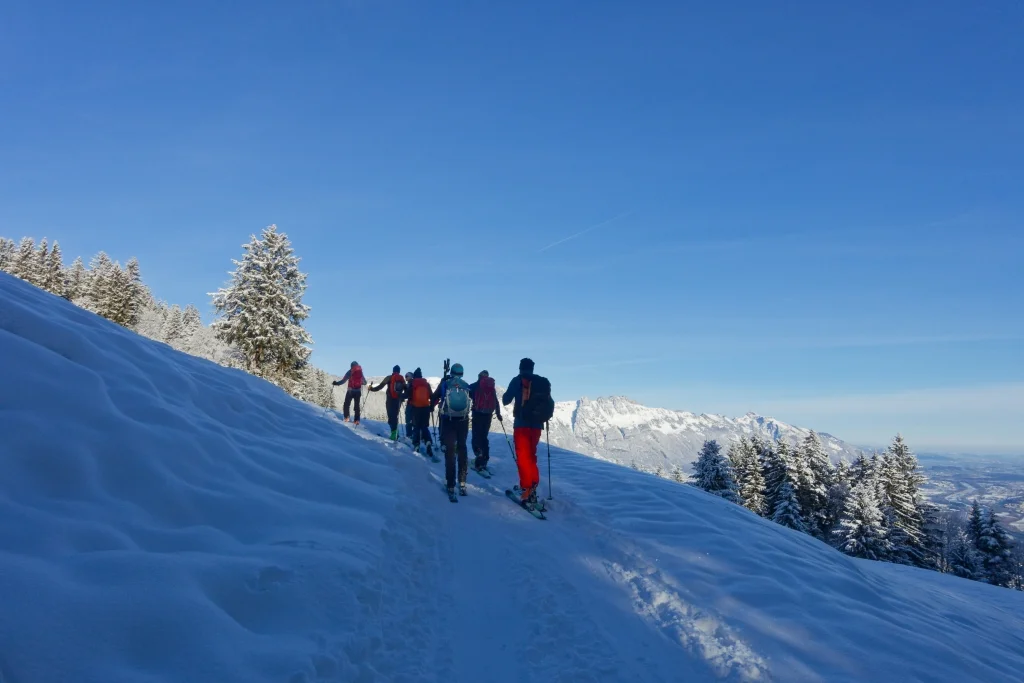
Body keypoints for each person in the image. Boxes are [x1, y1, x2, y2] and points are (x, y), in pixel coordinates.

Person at [501, 357, 555, 509]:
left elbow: (506, 400)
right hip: (537, 426)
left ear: (520, 368)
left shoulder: (517, 380)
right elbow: (550, 403)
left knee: (523, 457)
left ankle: (527, 489)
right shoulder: (541, 382)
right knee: (531, 456)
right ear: (532, 368)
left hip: (522, 425)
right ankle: (532, 486)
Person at [432, 362, 472, 499]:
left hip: (448, 421)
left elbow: (434, 397)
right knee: (462, 448)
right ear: (462, 373)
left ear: (451, 372)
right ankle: (462, 482)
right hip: (463, 421)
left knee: (450, 452)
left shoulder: (445, 384)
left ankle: (450, 484)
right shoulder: (466, 385)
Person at [468, 370, 502, 473]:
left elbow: (468, 394)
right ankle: (485, 459)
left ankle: (479, 458)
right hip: (488, 415)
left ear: (479, 376)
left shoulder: (475, 386)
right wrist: (498, 414)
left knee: (476, 436)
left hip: (477, 414)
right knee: (484, 437)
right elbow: (496, 401)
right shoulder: (491, 388)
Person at [369, 365, 406, 441]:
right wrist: (402, 397)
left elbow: (380, 386)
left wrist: (371, 389)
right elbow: (406, 390)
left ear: (393, 370)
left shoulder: (389, 377)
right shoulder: (402, 379)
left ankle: (394, 434)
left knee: (391, 417)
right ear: (399, 371)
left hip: (390, 400)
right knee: (395, 416)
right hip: (398, 400)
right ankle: (396, 433)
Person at [407, 368, 435, 458]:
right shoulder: (426, 384)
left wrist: (401, 396)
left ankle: (416, 445)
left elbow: (408, 394)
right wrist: (431, 407)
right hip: (426, 408)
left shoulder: (413, 383)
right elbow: (432, 396)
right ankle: (428, 442)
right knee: (424, 427)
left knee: (416, 427)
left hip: (416, 408)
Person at [402, 371, 415, 439]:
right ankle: (416, 435)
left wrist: (400, 396)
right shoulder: (415, 383)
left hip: (410, 404)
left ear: (410, 377)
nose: (405, 378)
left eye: (406, 376)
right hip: (418, 406)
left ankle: (409, 435)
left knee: (408, 420)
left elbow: (407, 394)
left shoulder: (410, 384)